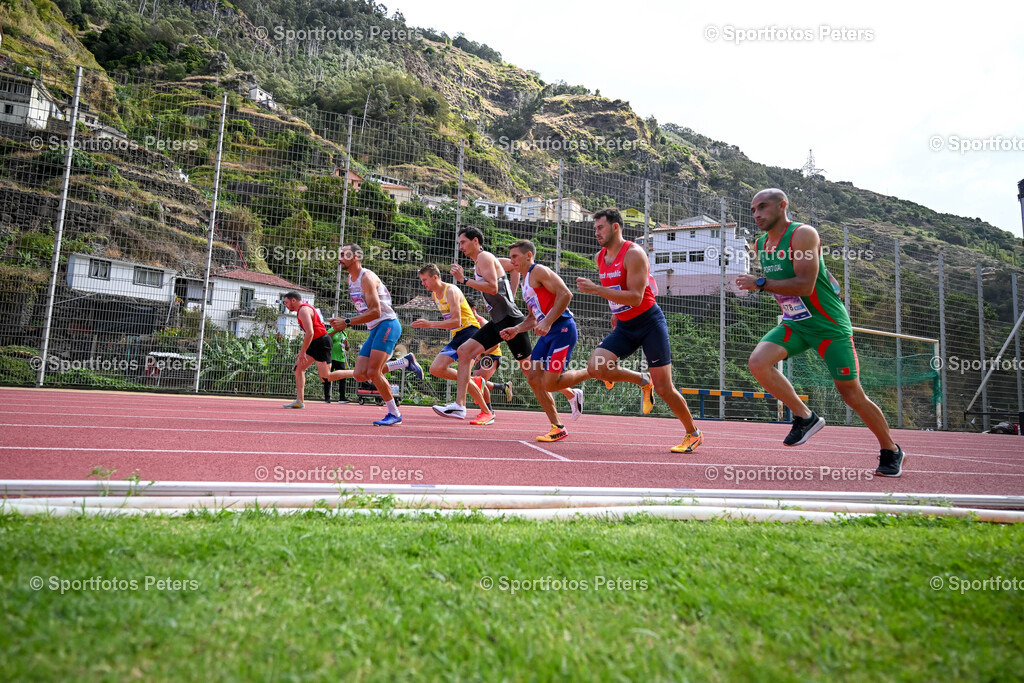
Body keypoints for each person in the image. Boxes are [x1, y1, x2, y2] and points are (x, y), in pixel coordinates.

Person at [737, 188, 906, 477]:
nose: (757, 214)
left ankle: (891, 449)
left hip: (829, 327)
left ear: (782, 206)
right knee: (758, 362)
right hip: (795, 323)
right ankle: (805, 416)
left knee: (851, 394)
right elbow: (798, 277)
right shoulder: (761, 243)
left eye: (762, 207)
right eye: (753, 210)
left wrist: (760, 282)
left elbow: (804, 285)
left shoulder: (803, 234)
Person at [576, 208, 703, 454]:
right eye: (595, 228)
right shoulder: (599, 257)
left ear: (615, 227)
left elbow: (635, 297)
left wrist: (596, 290)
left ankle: (693, 433)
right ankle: (643, 381)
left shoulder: (634, 254)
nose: (596, 232)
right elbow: (616, 288)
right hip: (624, 326)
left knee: (665, 387)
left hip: (648, 323)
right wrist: (615, 313)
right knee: (596, 367)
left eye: (600, 227)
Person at [432, 226, 532, 420]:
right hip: (497, 321)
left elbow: (493, 288)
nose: (460, 247)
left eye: (463, 242)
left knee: (530, 372)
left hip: (510, 321)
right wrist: (511, 291)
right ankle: (460, 406)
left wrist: (464, 280)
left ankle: (570, 391)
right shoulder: (482, 261)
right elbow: (511, 267)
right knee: (464, 351)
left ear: (475, 241)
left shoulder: (484, 257)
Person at [499, 240, 588, 441]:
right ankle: (557, 427)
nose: (511, 260)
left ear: (528, 255)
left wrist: (547, 322)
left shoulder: (538, 271)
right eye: (510, 256)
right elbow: (533, 318)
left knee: (550, 383)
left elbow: (566, 294)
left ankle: (593, 373)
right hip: (548, 333)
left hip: (563, 329)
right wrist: (516, 329)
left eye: (515, 256)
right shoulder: (525, 282)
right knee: (533, 378)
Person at [329, 243, 408, 426]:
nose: (340, 257)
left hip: (387, 324)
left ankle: (394, 413)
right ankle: (404, 362)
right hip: (375, 328)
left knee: (373, 371)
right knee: (359, 374)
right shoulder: (351, 279)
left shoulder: (366, 278)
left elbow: (376, 312)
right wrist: (334, 328)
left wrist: (347, 322)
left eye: (344, 254)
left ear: (355, 257)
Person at [411, 263, 494, 424]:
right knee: (436, 369)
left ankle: (463, 406)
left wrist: (430, 324)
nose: (423, 283)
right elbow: (452, 323)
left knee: (463, 376)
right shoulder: (436, 295)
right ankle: (486, 410)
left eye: (425, 279)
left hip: (471, 333)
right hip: (458, 336)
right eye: (421, 280)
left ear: (435, 277)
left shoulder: (451, 291)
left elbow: (456, 320)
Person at [282, 292, 338, 409]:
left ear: (293, 300)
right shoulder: (301, 311)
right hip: (315, 342)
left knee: (326, 376)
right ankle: (299, 401)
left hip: (322, 342)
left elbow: (310, 332)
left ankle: (358, 373)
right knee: (298, 368)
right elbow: (311, 334)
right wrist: (304, 350)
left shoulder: (303, 310)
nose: (285, 305)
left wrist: (303, 352)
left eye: (286, 302)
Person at [469, 304, 513, 407]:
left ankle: (488, 411)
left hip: (491, 355)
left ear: (473, 309)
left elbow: (496, 343)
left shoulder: (482, 323)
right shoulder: (470, 323)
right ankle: (503, 387)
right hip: (482, 356)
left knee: (478, 381)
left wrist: (481, 354)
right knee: (477, 381)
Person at [323, 327, 350, 403]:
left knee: (342, 378)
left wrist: (346, 344)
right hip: (331, 357)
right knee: (328, 377)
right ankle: (327, 398)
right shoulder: (332, 330)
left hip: (341, 358)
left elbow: (347, 348)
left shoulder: (344, 334)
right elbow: (327, 337)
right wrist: (336, 330)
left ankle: (342, 398)